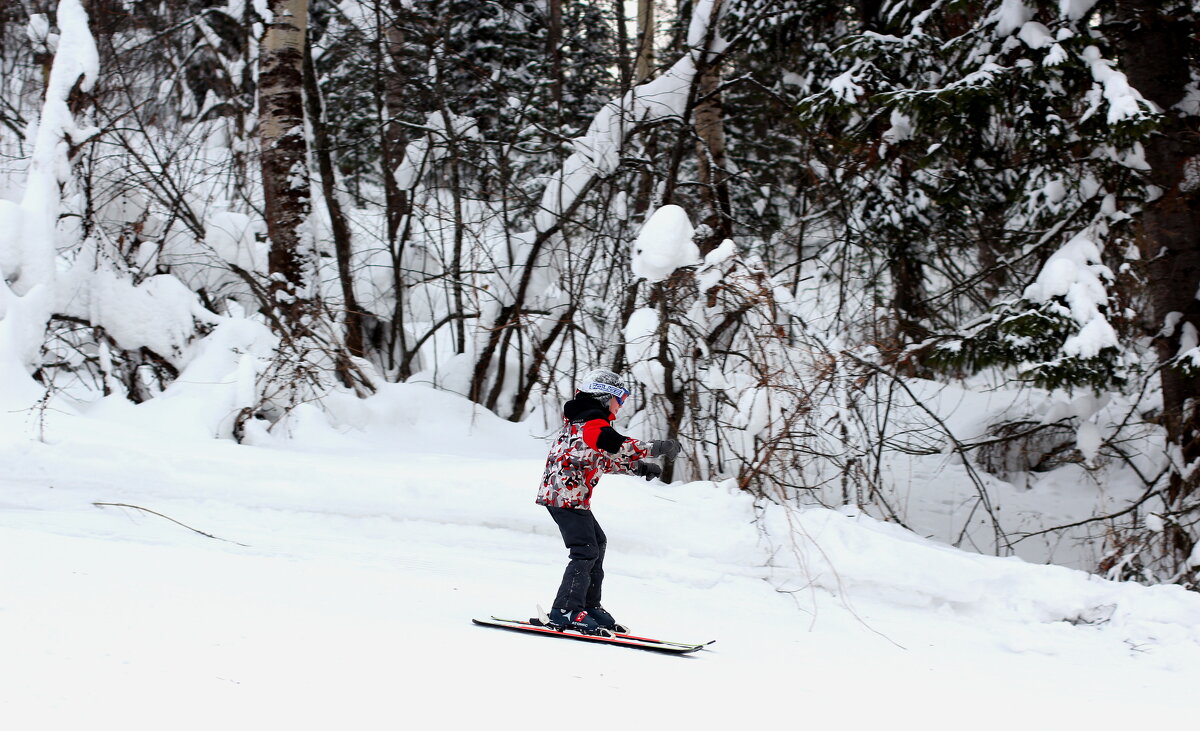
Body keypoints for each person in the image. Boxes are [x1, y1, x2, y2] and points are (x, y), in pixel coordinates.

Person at [535, 368, 681, 635]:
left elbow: (602, 459)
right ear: (605, 397)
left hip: (568, 497)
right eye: (620, 399)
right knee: (585, 550)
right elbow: (617, 445)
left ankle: (588, 606)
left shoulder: (583, 423)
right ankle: (565, 609)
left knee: (597, 543)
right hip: (565, 498)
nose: (621, 405)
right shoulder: (592, 424)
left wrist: (640, 468)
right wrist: (656, 447)